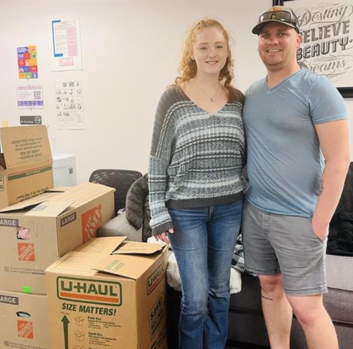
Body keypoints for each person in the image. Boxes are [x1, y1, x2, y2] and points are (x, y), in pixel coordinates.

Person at [242, 6, 350, 349]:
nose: (272, 41)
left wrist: (320, 222)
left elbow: (339, 159)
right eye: (265, 35)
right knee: (270, 288)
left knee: (307, 309)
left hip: (300, 218)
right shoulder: (253, 93)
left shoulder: (317, 88)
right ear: (259, 43)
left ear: (298, 40)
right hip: (256, 213)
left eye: (281, 34)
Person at [148, 18, 246, 349]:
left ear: (227, 51)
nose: (211, 53)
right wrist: (157, 210)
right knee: (195, 300)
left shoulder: (238, 99)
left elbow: (249, 155)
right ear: (192, 52)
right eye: (203, 46)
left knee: (220, 292)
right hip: (184, 213)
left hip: (229, 209)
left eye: (219, 46)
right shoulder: (172, 98)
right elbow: (157, 159)